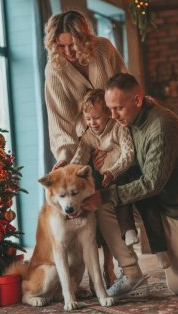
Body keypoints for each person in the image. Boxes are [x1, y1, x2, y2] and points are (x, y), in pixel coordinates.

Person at [83, 72, 178, 299]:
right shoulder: (128, 120)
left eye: (118, 108)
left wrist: (105, 194)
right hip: (156, 205)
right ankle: (131, 272)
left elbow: (152, 183)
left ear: (138, 100)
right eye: (110, 108)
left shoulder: (162, 127)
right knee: (104, 205)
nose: (112, 115)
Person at [71, 88, 171, 270]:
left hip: (130, 173)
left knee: (149, 206)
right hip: (111, 180)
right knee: (116, 199)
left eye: (97, 118)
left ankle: (160, 249)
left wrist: (112, 171)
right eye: (88, 119)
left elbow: (129, 153)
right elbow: (80, 157)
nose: (92, 123)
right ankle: (128, 231)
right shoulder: (87, 136)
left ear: (108, 114)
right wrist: (68, 172)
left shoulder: (117, 128)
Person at [44, 10, 128, 169]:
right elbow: (60, 121)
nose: (68, 52)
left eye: (73, 45)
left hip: (120, 130)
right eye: (62, 46)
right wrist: (64, 158)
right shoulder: (54, 70)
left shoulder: (103, 48)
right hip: (87, 145)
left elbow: (125, 87)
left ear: (83, 39)